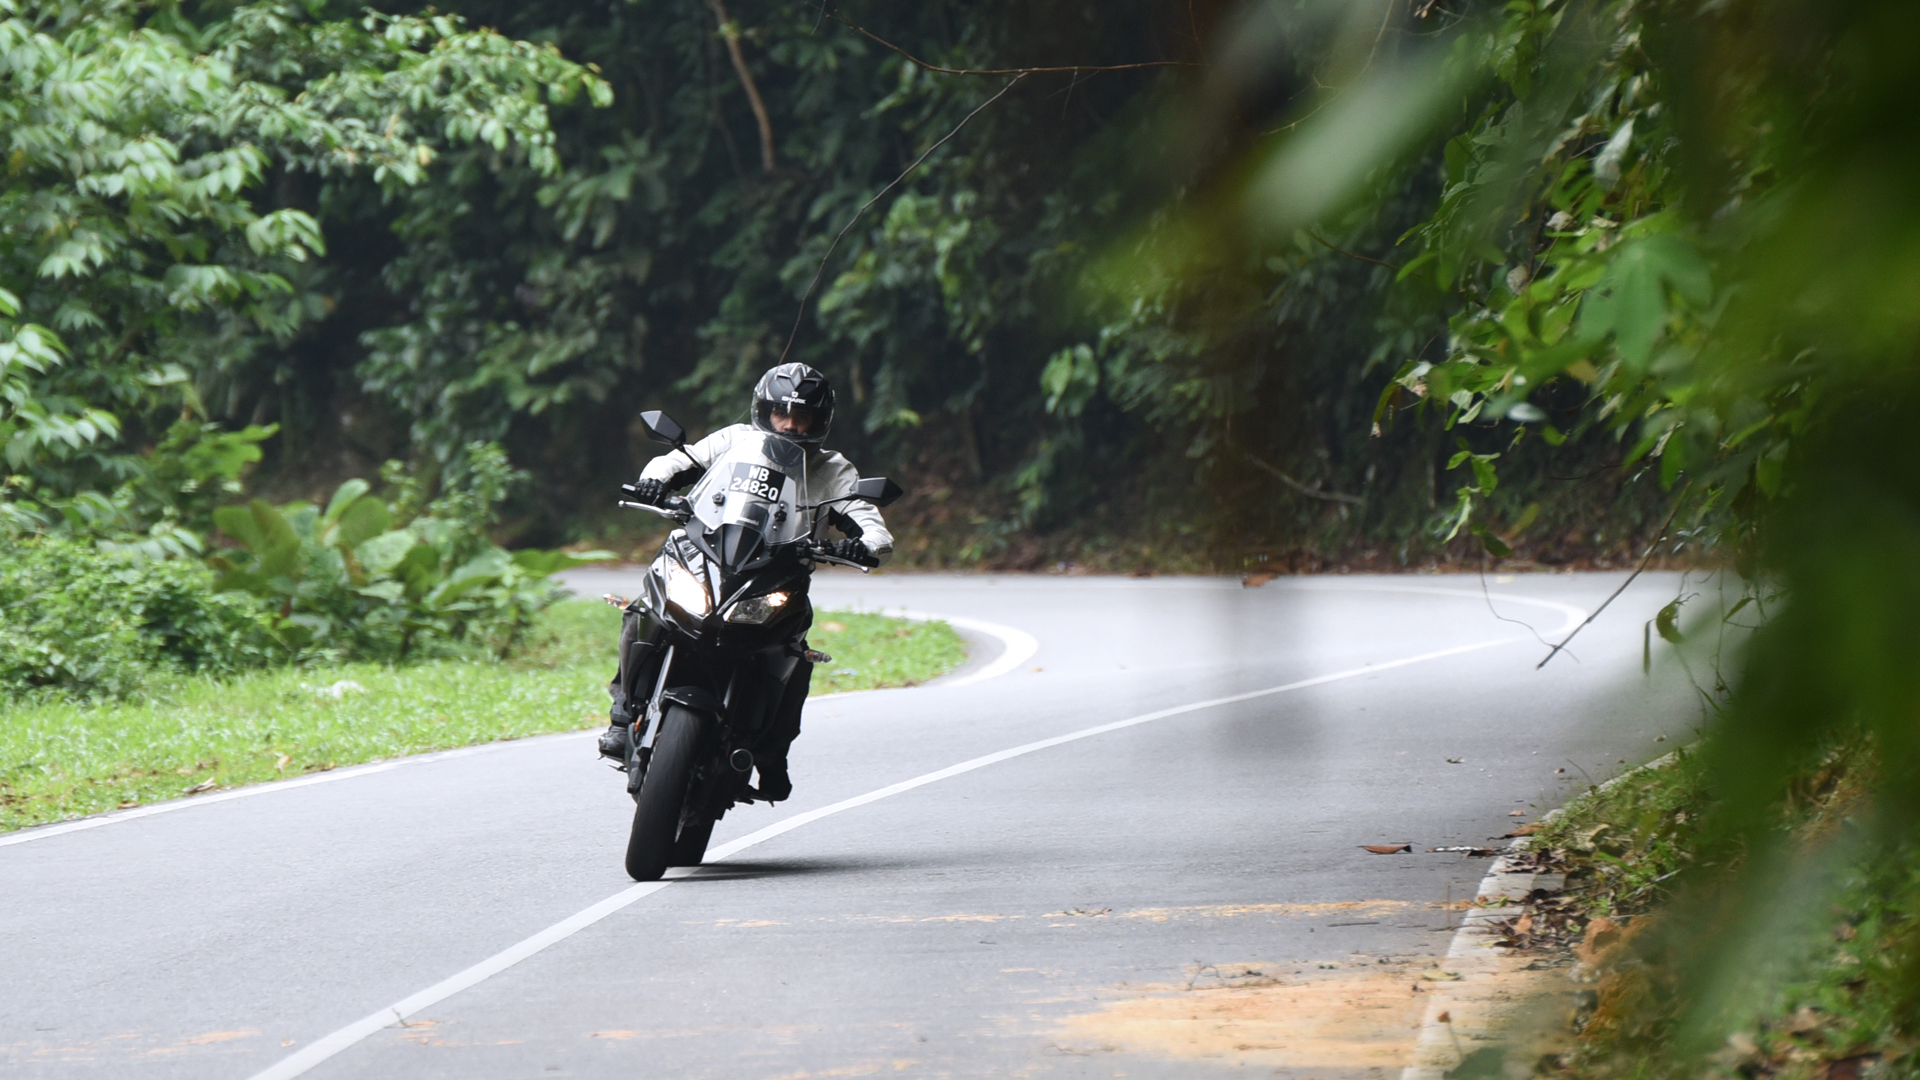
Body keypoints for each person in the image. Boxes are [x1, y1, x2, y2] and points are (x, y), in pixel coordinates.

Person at [599, 362, 893, 802]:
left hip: (778, 572)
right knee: (644, 607)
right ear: (764, 411)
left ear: (820, 421)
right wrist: (652, 481)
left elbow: (874, 529)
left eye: (802, 416)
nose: (790, 424)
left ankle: (772, 756)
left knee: (793, 654)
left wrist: (862, 546)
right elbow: (679, 459)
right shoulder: (735, 440)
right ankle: (623, 714)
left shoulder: (834, 470)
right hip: (706, 551)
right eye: (781, 413)